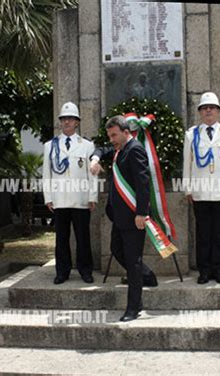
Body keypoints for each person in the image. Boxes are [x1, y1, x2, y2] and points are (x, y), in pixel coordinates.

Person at [90, 115, 152, 322]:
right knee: (117, 250)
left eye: (114, 135)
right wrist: (95, 159)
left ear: (126, 133)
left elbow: (144, 184)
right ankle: (147, 275)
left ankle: (134, 307)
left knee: (133, 263)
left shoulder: (134, 150)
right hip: (119, 217)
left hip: (134, 217)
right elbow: (100, 150)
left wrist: (141, 214)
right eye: (109, 135)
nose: (111, 139)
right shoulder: (119, 149)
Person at [182, 92, 220, 284]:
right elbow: (187, 163)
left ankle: (218, 269)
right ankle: (204, 271)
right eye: (205, 108)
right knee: (203, 234)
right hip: (200, 192)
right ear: (200, 112)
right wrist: (188, 189)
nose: (208, 111)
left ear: (218, 111)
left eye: (212, 108)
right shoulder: (192, 134)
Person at [42, 101, 98, 284]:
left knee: (83, 238)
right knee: (61, 238)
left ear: (77, 122)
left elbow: (92, 174)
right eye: (64, 119)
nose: (67, 122)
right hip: (59, 199)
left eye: (71, 119)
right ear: (60, 122)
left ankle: (85, 270)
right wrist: (48, 198)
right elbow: (46, 175)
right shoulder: (50, 145)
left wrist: (92, 196)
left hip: (81, 199)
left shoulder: (87, 145)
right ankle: (62, 271)